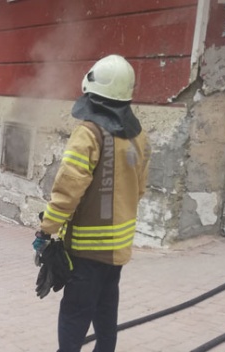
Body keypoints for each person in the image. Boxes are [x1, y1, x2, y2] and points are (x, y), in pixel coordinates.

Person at [34, 54, 151, 351]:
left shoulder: (89, 133)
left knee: (74, 315)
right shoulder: (138, 137)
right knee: (106, 311)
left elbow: (67, 190)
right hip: (118, 252)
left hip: (86, 252)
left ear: (93, 95)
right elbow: (139, 190)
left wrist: (46, 230)